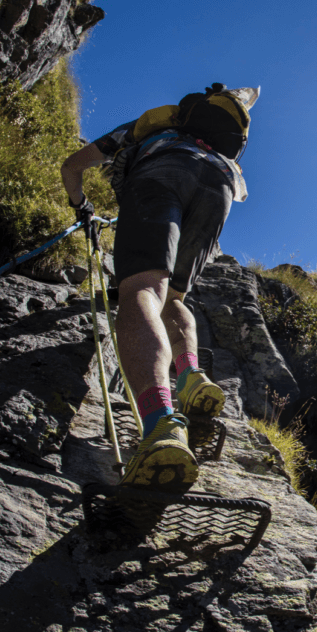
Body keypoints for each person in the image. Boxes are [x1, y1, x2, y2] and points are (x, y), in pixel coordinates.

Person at [60, 84, 259, 495]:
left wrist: (81, 205)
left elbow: (72, 166)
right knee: (175, 297)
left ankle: (161, 426)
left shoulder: (149, 128)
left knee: (143, 288)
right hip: (219, 184)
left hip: (162, 172)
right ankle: (191, 375)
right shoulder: (218, 148)